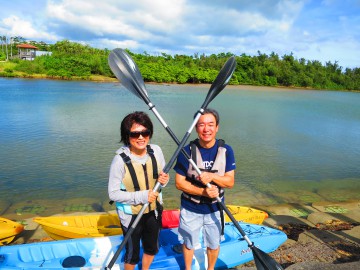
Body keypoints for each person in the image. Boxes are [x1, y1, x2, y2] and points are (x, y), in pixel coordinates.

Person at [174, 108, 236, 270]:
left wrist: (212, 177)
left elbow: (229, 182)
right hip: (190, 209)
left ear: (217, 127)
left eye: (210, 124)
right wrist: (203, 192)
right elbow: (179, 183)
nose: (206, 129)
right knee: (188, 243)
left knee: (213, 244)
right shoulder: (185, 152)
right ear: (196, 128)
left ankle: (210, 269)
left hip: (215, 208)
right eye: (201, 125)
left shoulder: (226, 150)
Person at [108, 111, 169, 270]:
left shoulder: (156, 151)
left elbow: (161, 178)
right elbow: (113, 193)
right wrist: (142, 196)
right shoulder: (119, 161)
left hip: (154, 211)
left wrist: (164, 180)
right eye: (135, 134)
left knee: (152, 247)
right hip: (130, 215)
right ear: (127, 135)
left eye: (145, 133)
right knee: (132, 254)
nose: (141, 138)